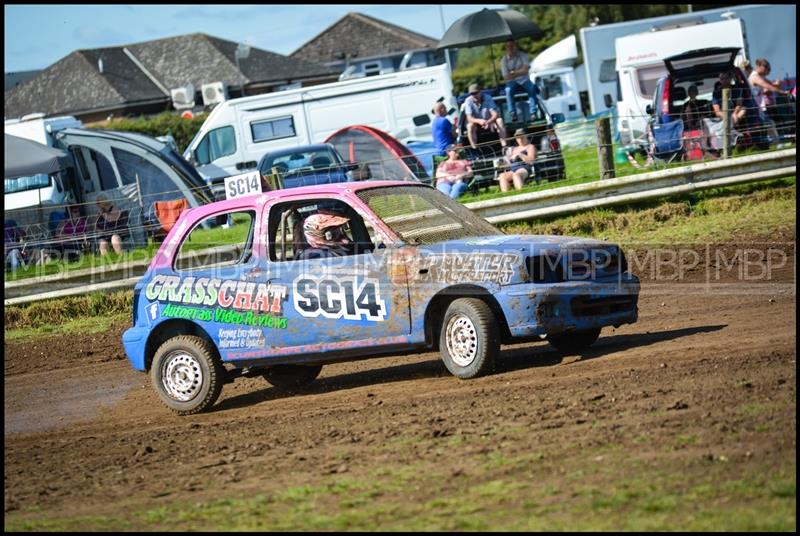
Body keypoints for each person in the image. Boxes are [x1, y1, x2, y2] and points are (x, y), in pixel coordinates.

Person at [501, 39, 539, 122]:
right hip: (512, 82)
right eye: (508, 46)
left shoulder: (523, 55)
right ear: (506, 47)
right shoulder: (504, 60)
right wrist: (520, 71)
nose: (510, 48)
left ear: (515, 46)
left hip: (524, 80)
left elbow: (525, 70)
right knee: (508, 91)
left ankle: (533, 112)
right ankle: (512, 113)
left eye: (512, 46)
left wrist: (513, 72)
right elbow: (506, 77)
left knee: (532, 88)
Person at [463, 82, 508, 151]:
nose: (474, 95)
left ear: (480, 92)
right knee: (469, 126)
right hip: (476, 125)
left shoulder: (487, 97)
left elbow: (495, 114)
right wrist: (479, 121)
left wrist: (488, 122)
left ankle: (504, 146)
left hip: (490, 123)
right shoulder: (468, 101)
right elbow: (469, 118)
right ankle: (475, 149)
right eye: (472, 94)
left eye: (476, 93)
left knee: (500, 121)